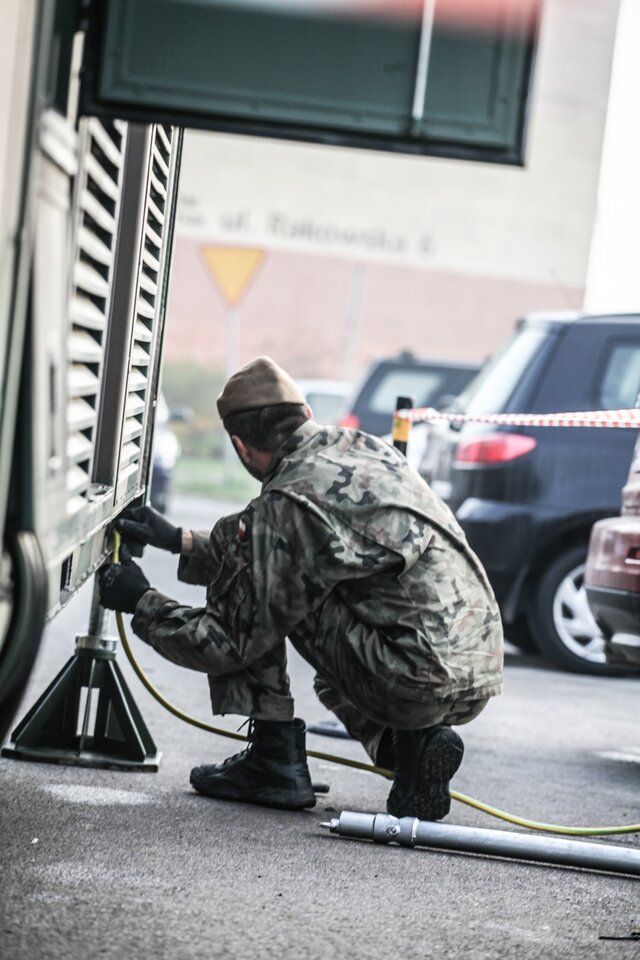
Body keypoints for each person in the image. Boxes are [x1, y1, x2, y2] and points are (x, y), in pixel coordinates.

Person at [99, 357, 503, 818]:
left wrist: (141, 602)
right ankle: (413, 748)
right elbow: (291, 543)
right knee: (287, 580)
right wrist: (179, 541)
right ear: (306, 415)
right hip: (479, 667)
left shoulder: (285, 501)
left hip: (412, 679)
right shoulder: (364, 448)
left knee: (270, 591)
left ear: (240, 446)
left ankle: (273, 761)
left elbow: (229, 642)